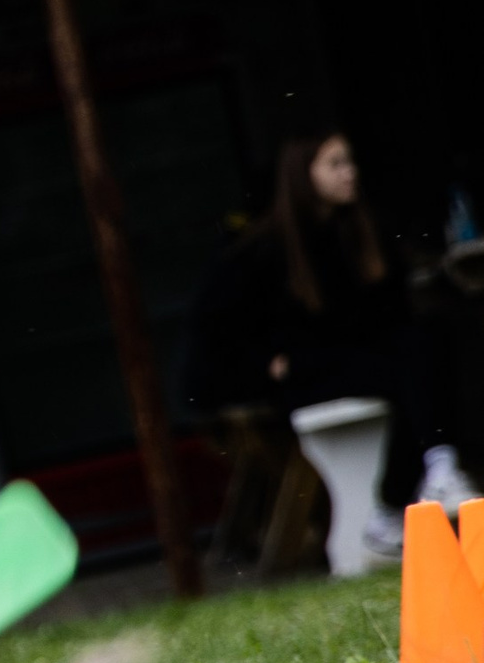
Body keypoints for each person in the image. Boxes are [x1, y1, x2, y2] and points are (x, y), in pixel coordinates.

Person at [189, 131, 473, 534]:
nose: (350, 174)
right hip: (304, 372)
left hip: (357, 358)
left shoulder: (360, 231)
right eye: (336, 164)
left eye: (350, 162)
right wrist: (264, 366)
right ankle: (405, 495)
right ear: (304, 175)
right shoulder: (261, 249)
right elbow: (215, 333)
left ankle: (430, 474)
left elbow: (389, 315)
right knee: (413, 370)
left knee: (425, 348)